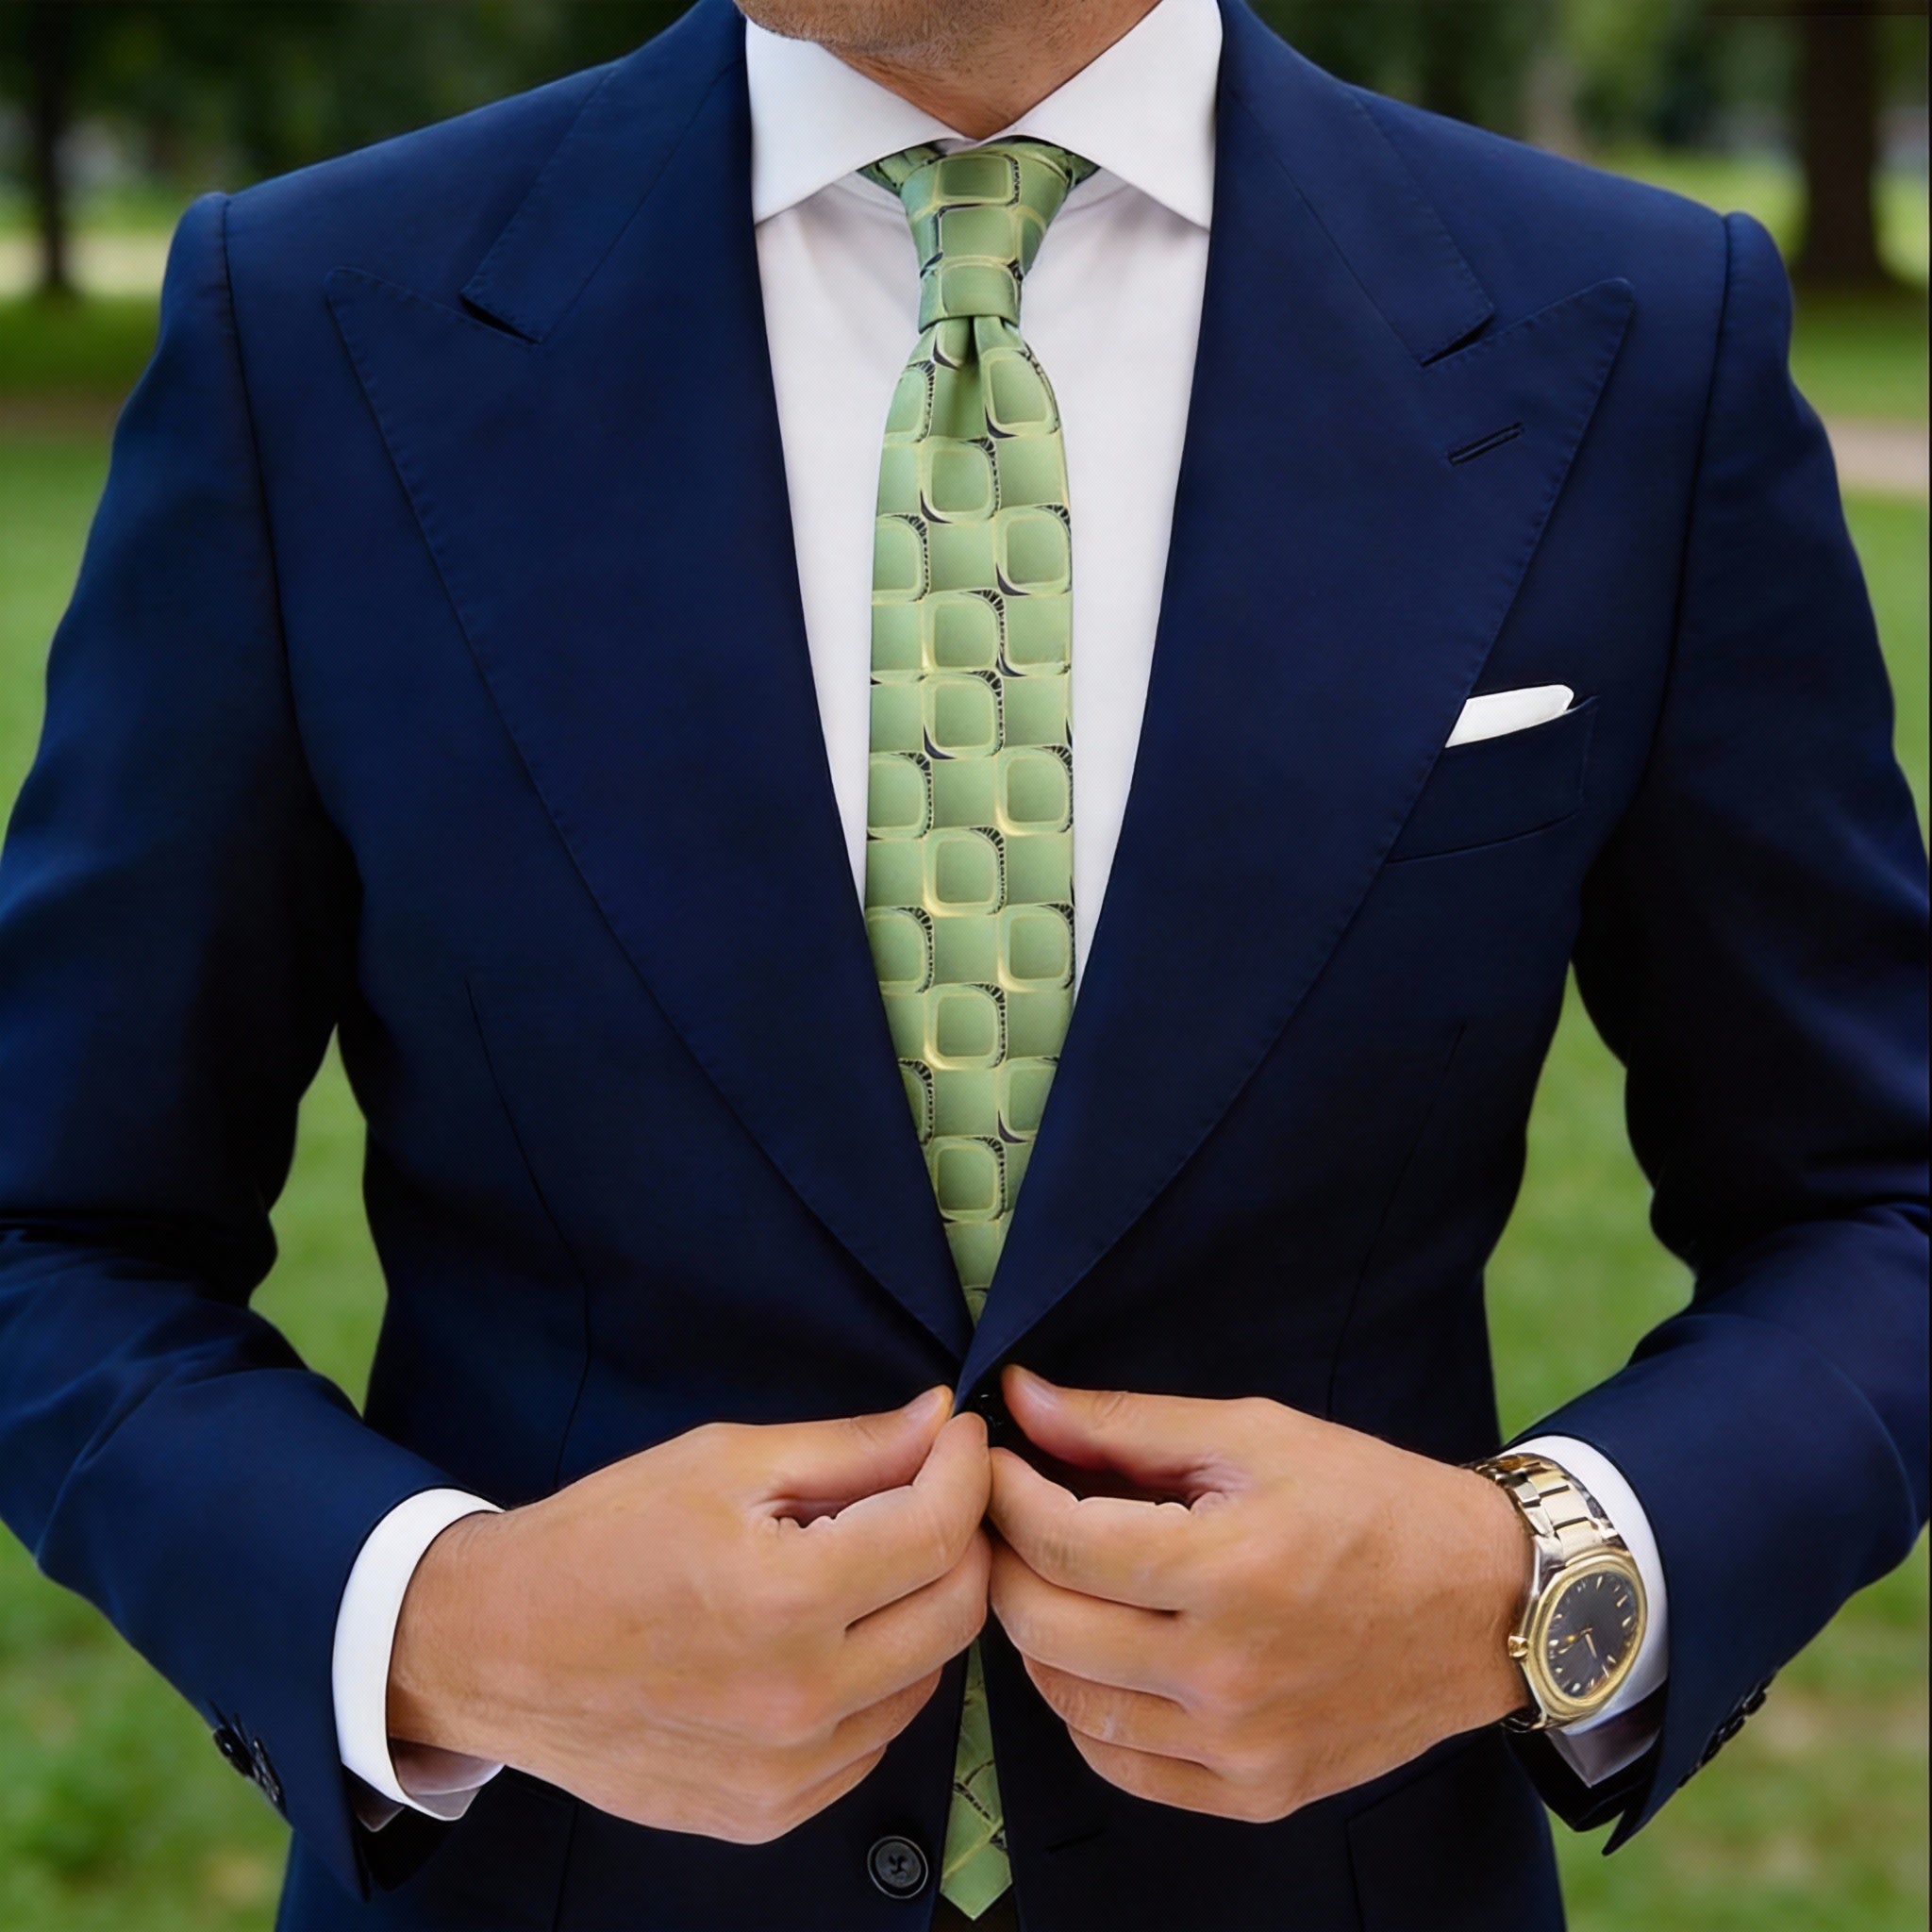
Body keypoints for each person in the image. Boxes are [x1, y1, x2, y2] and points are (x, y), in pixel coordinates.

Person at [0, 0, 1924, 1926]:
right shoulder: (316, 319)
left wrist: (1538, 1585)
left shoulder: (1629, 331)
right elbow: (54, 1228)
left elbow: (1873, 1200)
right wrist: (443, 1621)